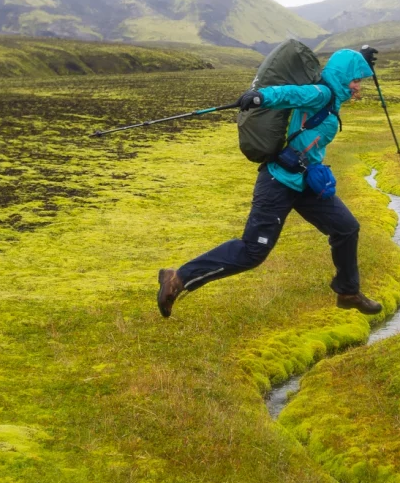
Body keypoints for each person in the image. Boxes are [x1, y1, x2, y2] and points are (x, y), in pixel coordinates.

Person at [156, 48, 384, 318]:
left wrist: (361, 57)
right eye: (356, 80)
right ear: (342, 77)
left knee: (346, 228)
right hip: (278, 181)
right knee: (253, 251)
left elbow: (336, 73)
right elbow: (289, 93)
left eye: (360, 80)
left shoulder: (333, 97)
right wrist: (260, 96)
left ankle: (348, 292)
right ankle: (178, 278)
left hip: (304, 181)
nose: (358, 86)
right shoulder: (321, 93)